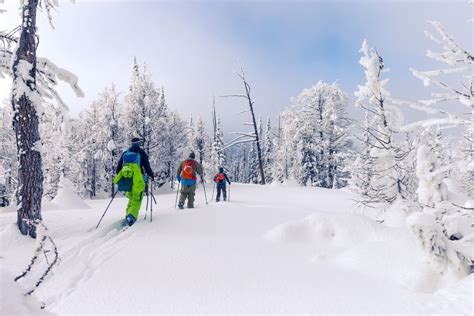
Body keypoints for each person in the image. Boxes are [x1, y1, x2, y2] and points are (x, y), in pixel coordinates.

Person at [114, 137, 154, 226]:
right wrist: (151, 175)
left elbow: (118, 169)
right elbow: (147, 166)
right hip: (138, 180)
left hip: (128, 181)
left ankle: (128, 214)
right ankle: (131, 217)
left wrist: (125, 177)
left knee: (131, 198)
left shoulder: (126, 153)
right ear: (139, 143)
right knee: (137, 199)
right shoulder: (141, 153)